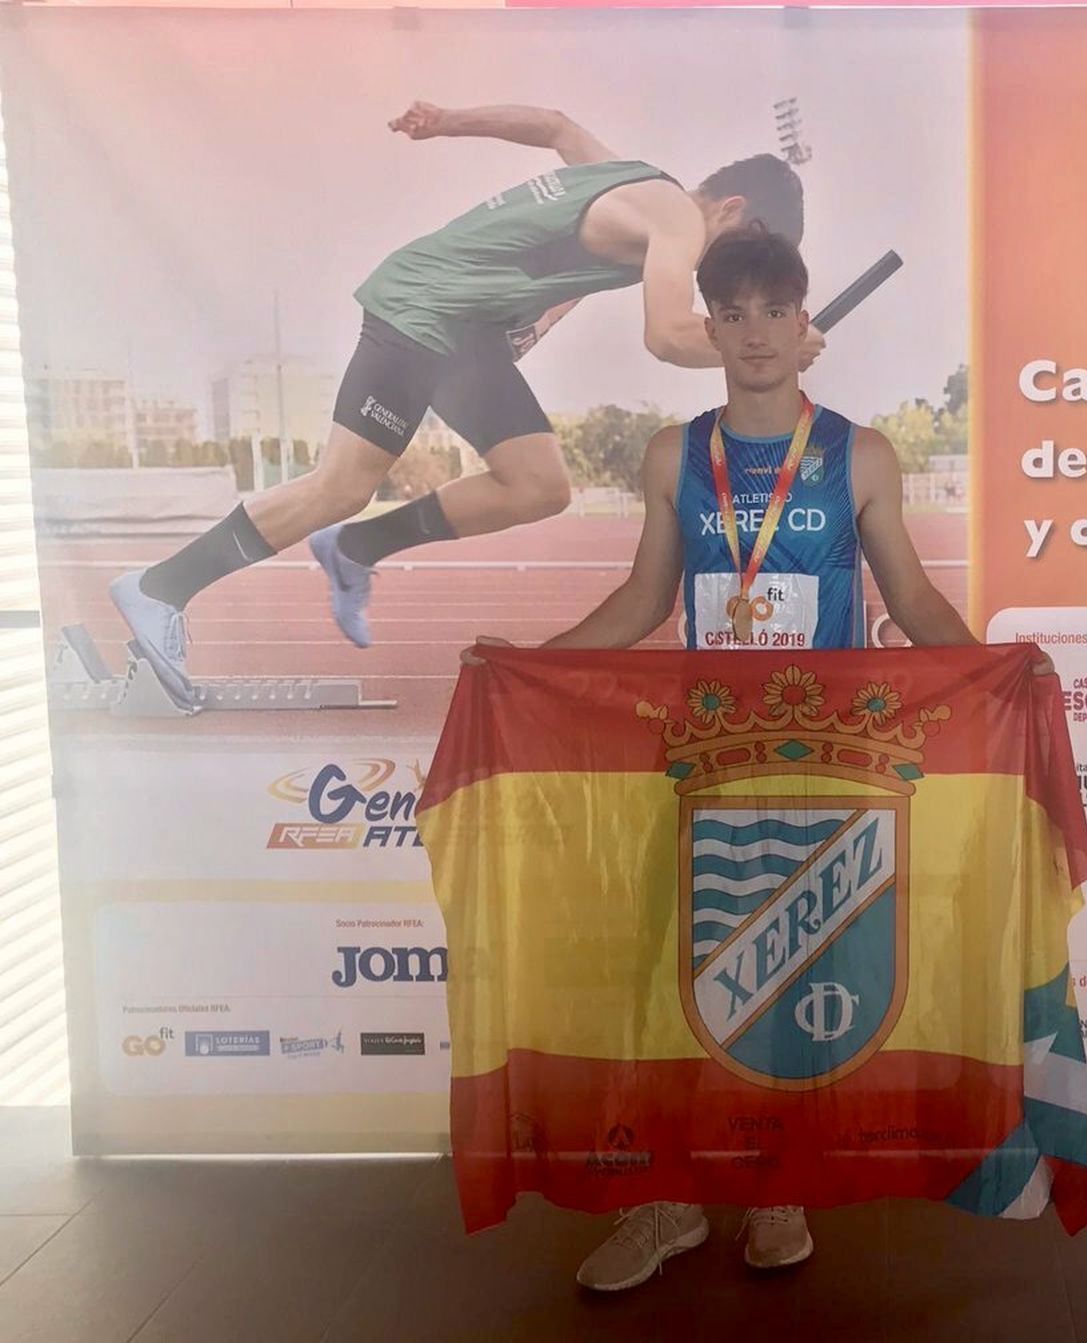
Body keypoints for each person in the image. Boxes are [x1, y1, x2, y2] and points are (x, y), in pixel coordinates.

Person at [464, 226, 977, 1292]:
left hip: (821, 765)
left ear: (803, 324)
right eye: (730, 314)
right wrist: (522, 664)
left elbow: (914, 600)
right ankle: (669, 1200)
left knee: (794, 987)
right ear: (709, 327)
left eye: (771, 311)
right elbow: (642, 603)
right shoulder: (671, 454)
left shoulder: (859, 453)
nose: (752, 334)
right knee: (677, 982)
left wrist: (997, 664)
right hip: (702, 763)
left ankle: (777, 1186)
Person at [109, 100, 818, 708]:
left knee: (457, 486)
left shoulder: (635, 180)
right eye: (744, 253)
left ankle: (314, 556)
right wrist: (768, 344)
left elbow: (555, 126)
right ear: (732, 208)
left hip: (448, 319)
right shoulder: (679, 222)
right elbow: (665, 335)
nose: (737, 280)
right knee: (413, 485)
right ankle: (170, 585)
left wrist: (448, 121)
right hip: (430, 315)